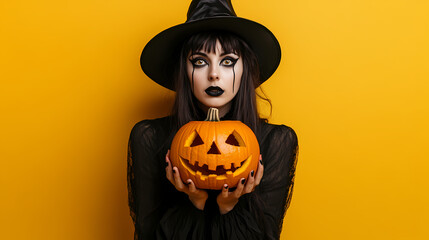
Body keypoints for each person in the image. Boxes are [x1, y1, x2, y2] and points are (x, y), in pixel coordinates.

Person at [127, 0, 299, 239]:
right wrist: (194, 203)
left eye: (227, 61)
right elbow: (147, 235)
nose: (214, 74)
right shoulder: (149, 136)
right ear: (184, 72)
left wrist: (228, 208)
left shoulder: (276, 141)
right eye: (200, 61)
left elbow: (268, 236)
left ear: (245, 69)